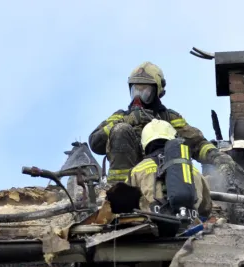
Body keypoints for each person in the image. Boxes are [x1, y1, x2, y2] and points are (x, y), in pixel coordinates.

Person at [89, 62, 230, 184]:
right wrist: (126, 121)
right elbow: (95, 143)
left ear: (157, 92)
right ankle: (120, 189)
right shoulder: (120, 116)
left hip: (161, 180)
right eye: (135, 90)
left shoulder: (169, 118)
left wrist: (217, 157)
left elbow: (197, 143)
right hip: (125, 188)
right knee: (121, 130)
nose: (138, 96)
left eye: (144, 91)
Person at [126, 120, 213, 217]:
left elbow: (125, 204)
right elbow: (206, 207)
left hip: (153, 225)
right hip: (189, 225)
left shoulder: (137, 170)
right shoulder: (191, 169)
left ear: (144, 144)